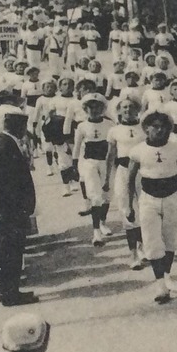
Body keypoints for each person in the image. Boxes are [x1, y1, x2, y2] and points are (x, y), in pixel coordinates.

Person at [125, 111, 177, 303]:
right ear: (146, 129)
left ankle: (167, 276)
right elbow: (130, 180)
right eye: (154, 126)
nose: (159, 130)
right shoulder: (138, 150)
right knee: (152, 241)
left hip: (172, 197)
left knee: (170, 239)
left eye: (163, 126)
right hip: (149, 199)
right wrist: (129, 206)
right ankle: (160, 285)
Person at [0, 106, 39, 307]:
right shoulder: (3, 145)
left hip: (10, 209)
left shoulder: (3, 143)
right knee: (9, 251)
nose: (25, 128)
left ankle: (9, 290)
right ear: (13, 125)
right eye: (22, 124)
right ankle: (9, 293)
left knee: (10, 250)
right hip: (9, 209)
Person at [106, 95, 147, 269]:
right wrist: (107, 178)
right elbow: (110, 156)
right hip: (123, 171)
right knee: (127, 211)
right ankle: (133, 254)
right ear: (119, 111)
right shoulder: (114, 131)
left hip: (143, 172)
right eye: (124, 108)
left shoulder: (144, 127)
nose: (128, 110)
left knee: (145, 209)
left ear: (137, 109)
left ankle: (144, 245)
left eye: (131, 107)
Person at [72, 93, 114, 247]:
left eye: (97, 107)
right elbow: (76, 148)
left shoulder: (109, 125)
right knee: (95, 196)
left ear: (102, 108)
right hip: (89, 163)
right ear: (85, 109)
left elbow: (114, 146)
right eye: (90, 107)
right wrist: (75, 165)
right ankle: (96, 231)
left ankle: (103, 222)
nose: (94, 110)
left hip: (106, 163)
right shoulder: (82, 126)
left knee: (107, 195)